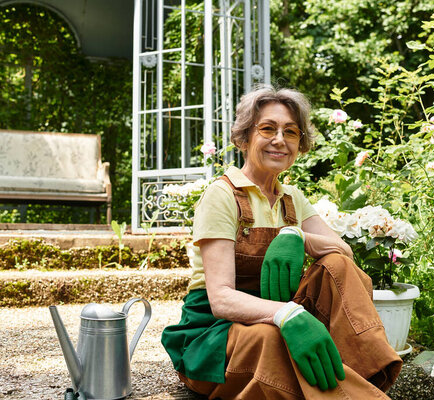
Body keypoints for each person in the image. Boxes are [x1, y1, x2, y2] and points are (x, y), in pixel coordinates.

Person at [162, 86, 402, 399]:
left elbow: (343, 253)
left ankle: (368, 373)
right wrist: (286, 314)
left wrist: (296, 235)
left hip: (277, 318)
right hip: (215, 335)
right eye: (267, 128)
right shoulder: (221, 196)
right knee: (270, 339)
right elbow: (220, 300)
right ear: (245, 137)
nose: (279, 139)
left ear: (299, 144)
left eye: (290, 131)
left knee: (336, 266)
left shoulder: (293, 200)